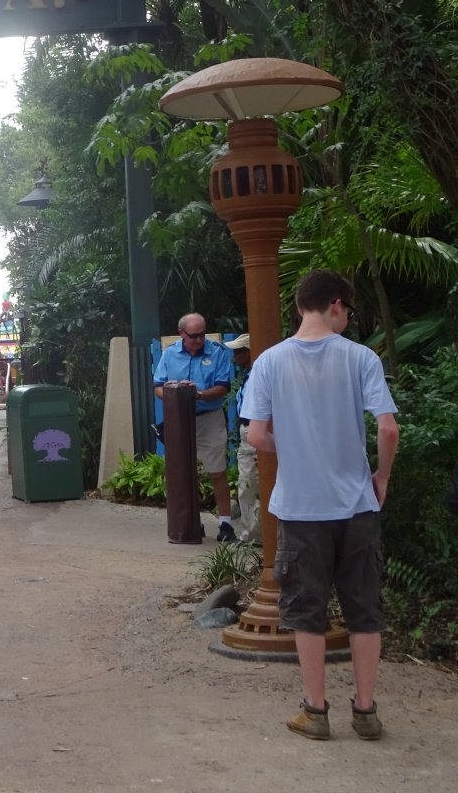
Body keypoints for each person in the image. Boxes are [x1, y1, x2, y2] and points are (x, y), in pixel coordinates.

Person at [241, 270, 398, 742]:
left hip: (301, 508)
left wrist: (294, 447)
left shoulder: (269, 362)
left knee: (306, 610)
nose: (347, 318)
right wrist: (382, 477)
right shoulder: (361, 358)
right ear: (334, 304)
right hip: (356, 504)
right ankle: (366, 712)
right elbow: (388, 429)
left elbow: (253, 434)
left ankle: (315, 711)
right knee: (364, 610)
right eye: (347, 309)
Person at [153, 312, 236, 542]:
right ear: (182, 334)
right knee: (183, 472)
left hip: (209, 416)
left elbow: (222, 387)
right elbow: (158, 387)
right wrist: (174, 393)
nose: (199, 339)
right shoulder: (170, 354)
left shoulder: (217, 352)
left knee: (216, 470)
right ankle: (190, 522)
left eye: (202, 334)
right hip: (180, 419)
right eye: (194, 336)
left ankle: (225, 524)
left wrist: (196, 394)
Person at [224, 333, 259, 542]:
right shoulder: (248, 375)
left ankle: (253, 535)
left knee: (249, 484)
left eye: (240, 351)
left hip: (253, 429)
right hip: (247, 429)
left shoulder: (257, 375)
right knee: (247, 483)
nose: (235, 355)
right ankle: (253, 532)